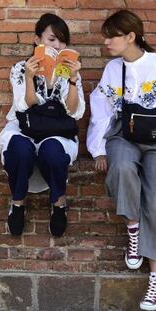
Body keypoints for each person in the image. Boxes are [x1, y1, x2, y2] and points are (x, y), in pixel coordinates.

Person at [87, 9, 156, 311]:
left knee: (155, 200)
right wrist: (98, 148)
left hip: (155, 142)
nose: (106, 42)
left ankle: (155, 280)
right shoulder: (113, 69)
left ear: (130, 36)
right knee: (123, 166)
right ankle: (133, 226)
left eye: (111, 36)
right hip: (124, 137)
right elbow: (101, 108)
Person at [0, 13, 85, 237]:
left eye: (62, 41)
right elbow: (23, 105)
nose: (58, 46)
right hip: (25, 126)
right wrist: (29, 77)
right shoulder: (20, 68)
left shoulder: (68, 71)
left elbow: (75, 111)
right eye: (52, 40)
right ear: (38, 40)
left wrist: (73, 80)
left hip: (57, 130)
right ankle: (18, 203)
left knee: (52, 152)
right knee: (20, 148)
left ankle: (59, 203)